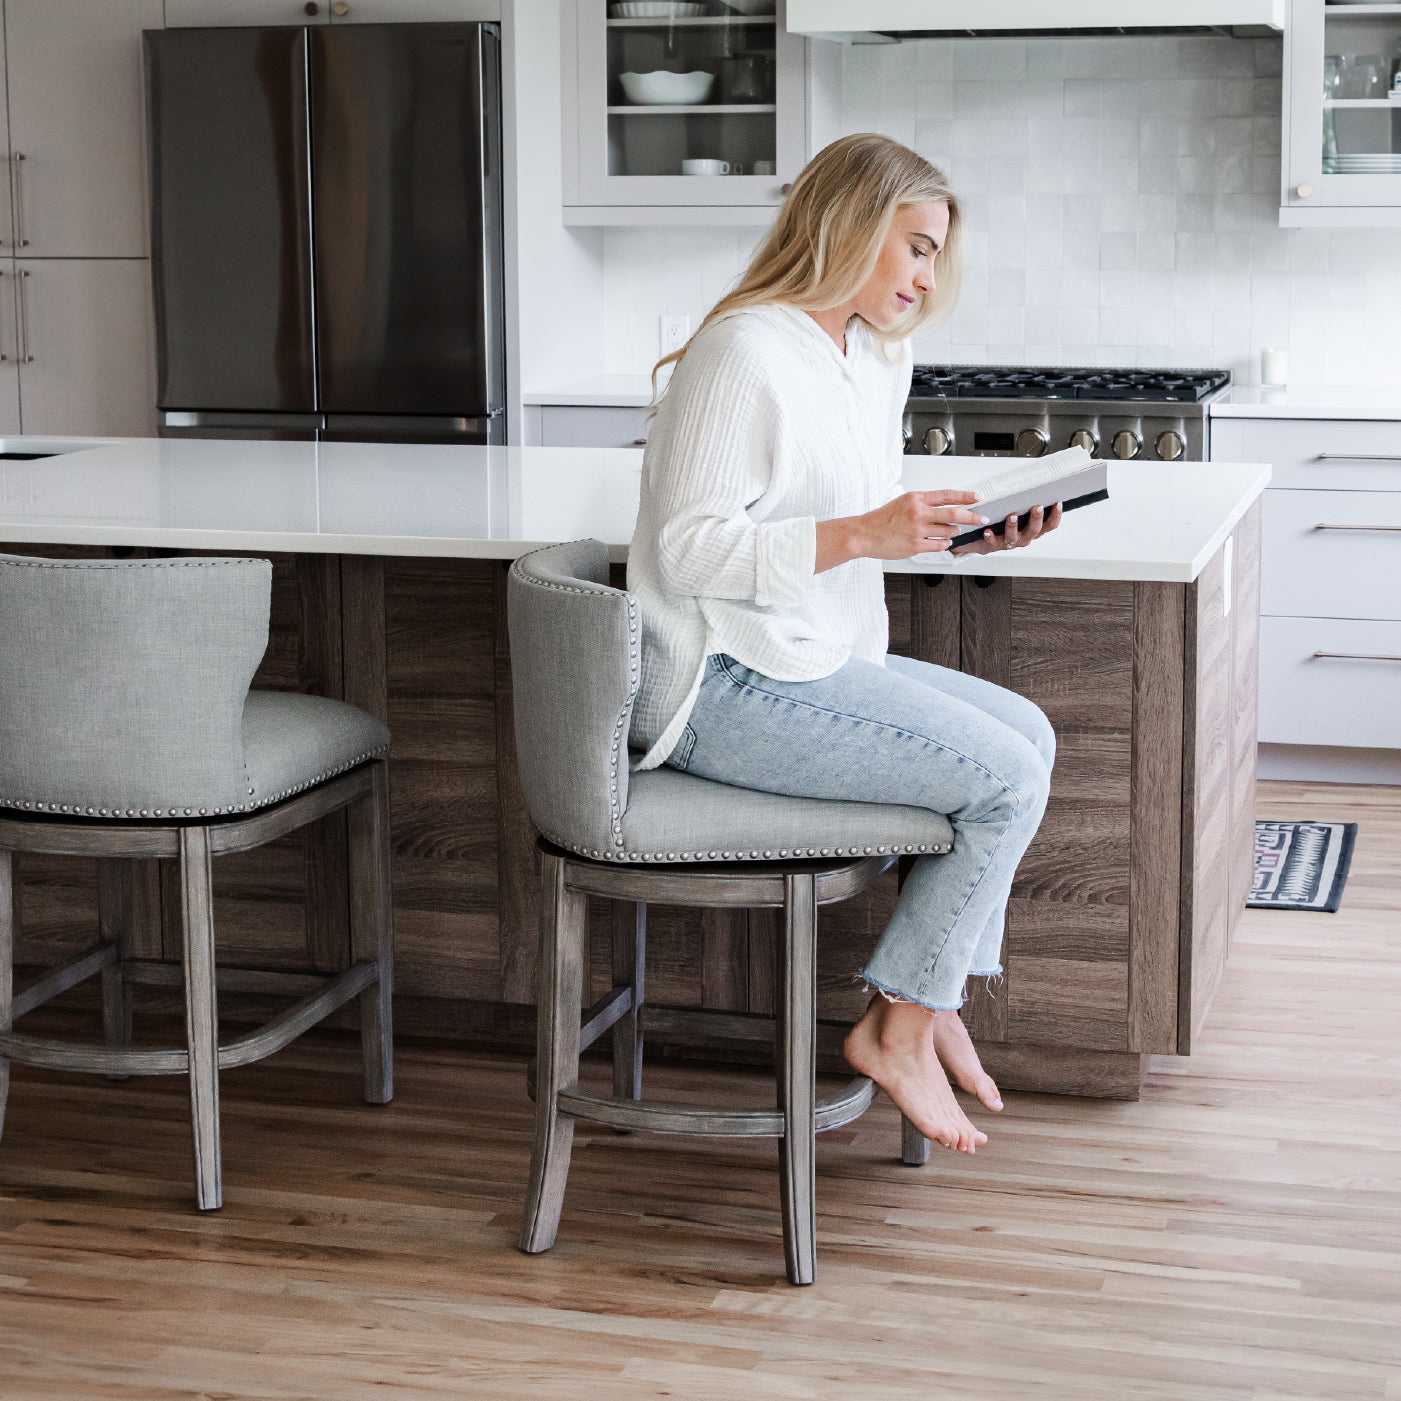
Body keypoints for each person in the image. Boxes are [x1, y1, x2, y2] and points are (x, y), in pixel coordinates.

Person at [627, 133, 1061, 1155]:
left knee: (1029, 735)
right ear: (846, 227)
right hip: (724, 677)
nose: (925, 277)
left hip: (816, 658)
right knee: (1003, 778)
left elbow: (851, 519)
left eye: (934, 255)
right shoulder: (744, 351)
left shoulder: (871, 358)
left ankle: (927, 994)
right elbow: (691, 548)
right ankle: (902, 1027)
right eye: (912, 247)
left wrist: (965, 531)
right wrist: (867, 534)